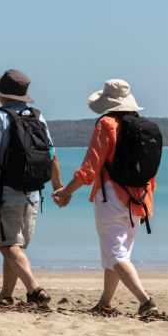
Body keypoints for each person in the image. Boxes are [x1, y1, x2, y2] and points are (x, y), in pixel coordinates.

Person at [51, 79, 158, 316]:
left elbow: (89, 169)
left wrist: (65, 192)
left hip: (111, 196)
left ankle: (145, 301)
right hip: (140, 198)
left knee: (116, 254)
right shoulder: (144, 127)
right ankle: (104, 303)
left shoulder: (106, 124)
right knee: (117, 253)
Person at [0, 69, 62, 305]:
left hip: (4, 194)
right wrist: (58, 188)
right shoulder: (37, 116)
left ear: (1, 94)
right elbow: (52, 155)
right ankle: (6, 295)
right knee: (12, 245)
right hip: (32, 194)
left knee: (8, 245)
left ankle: (35, 289)